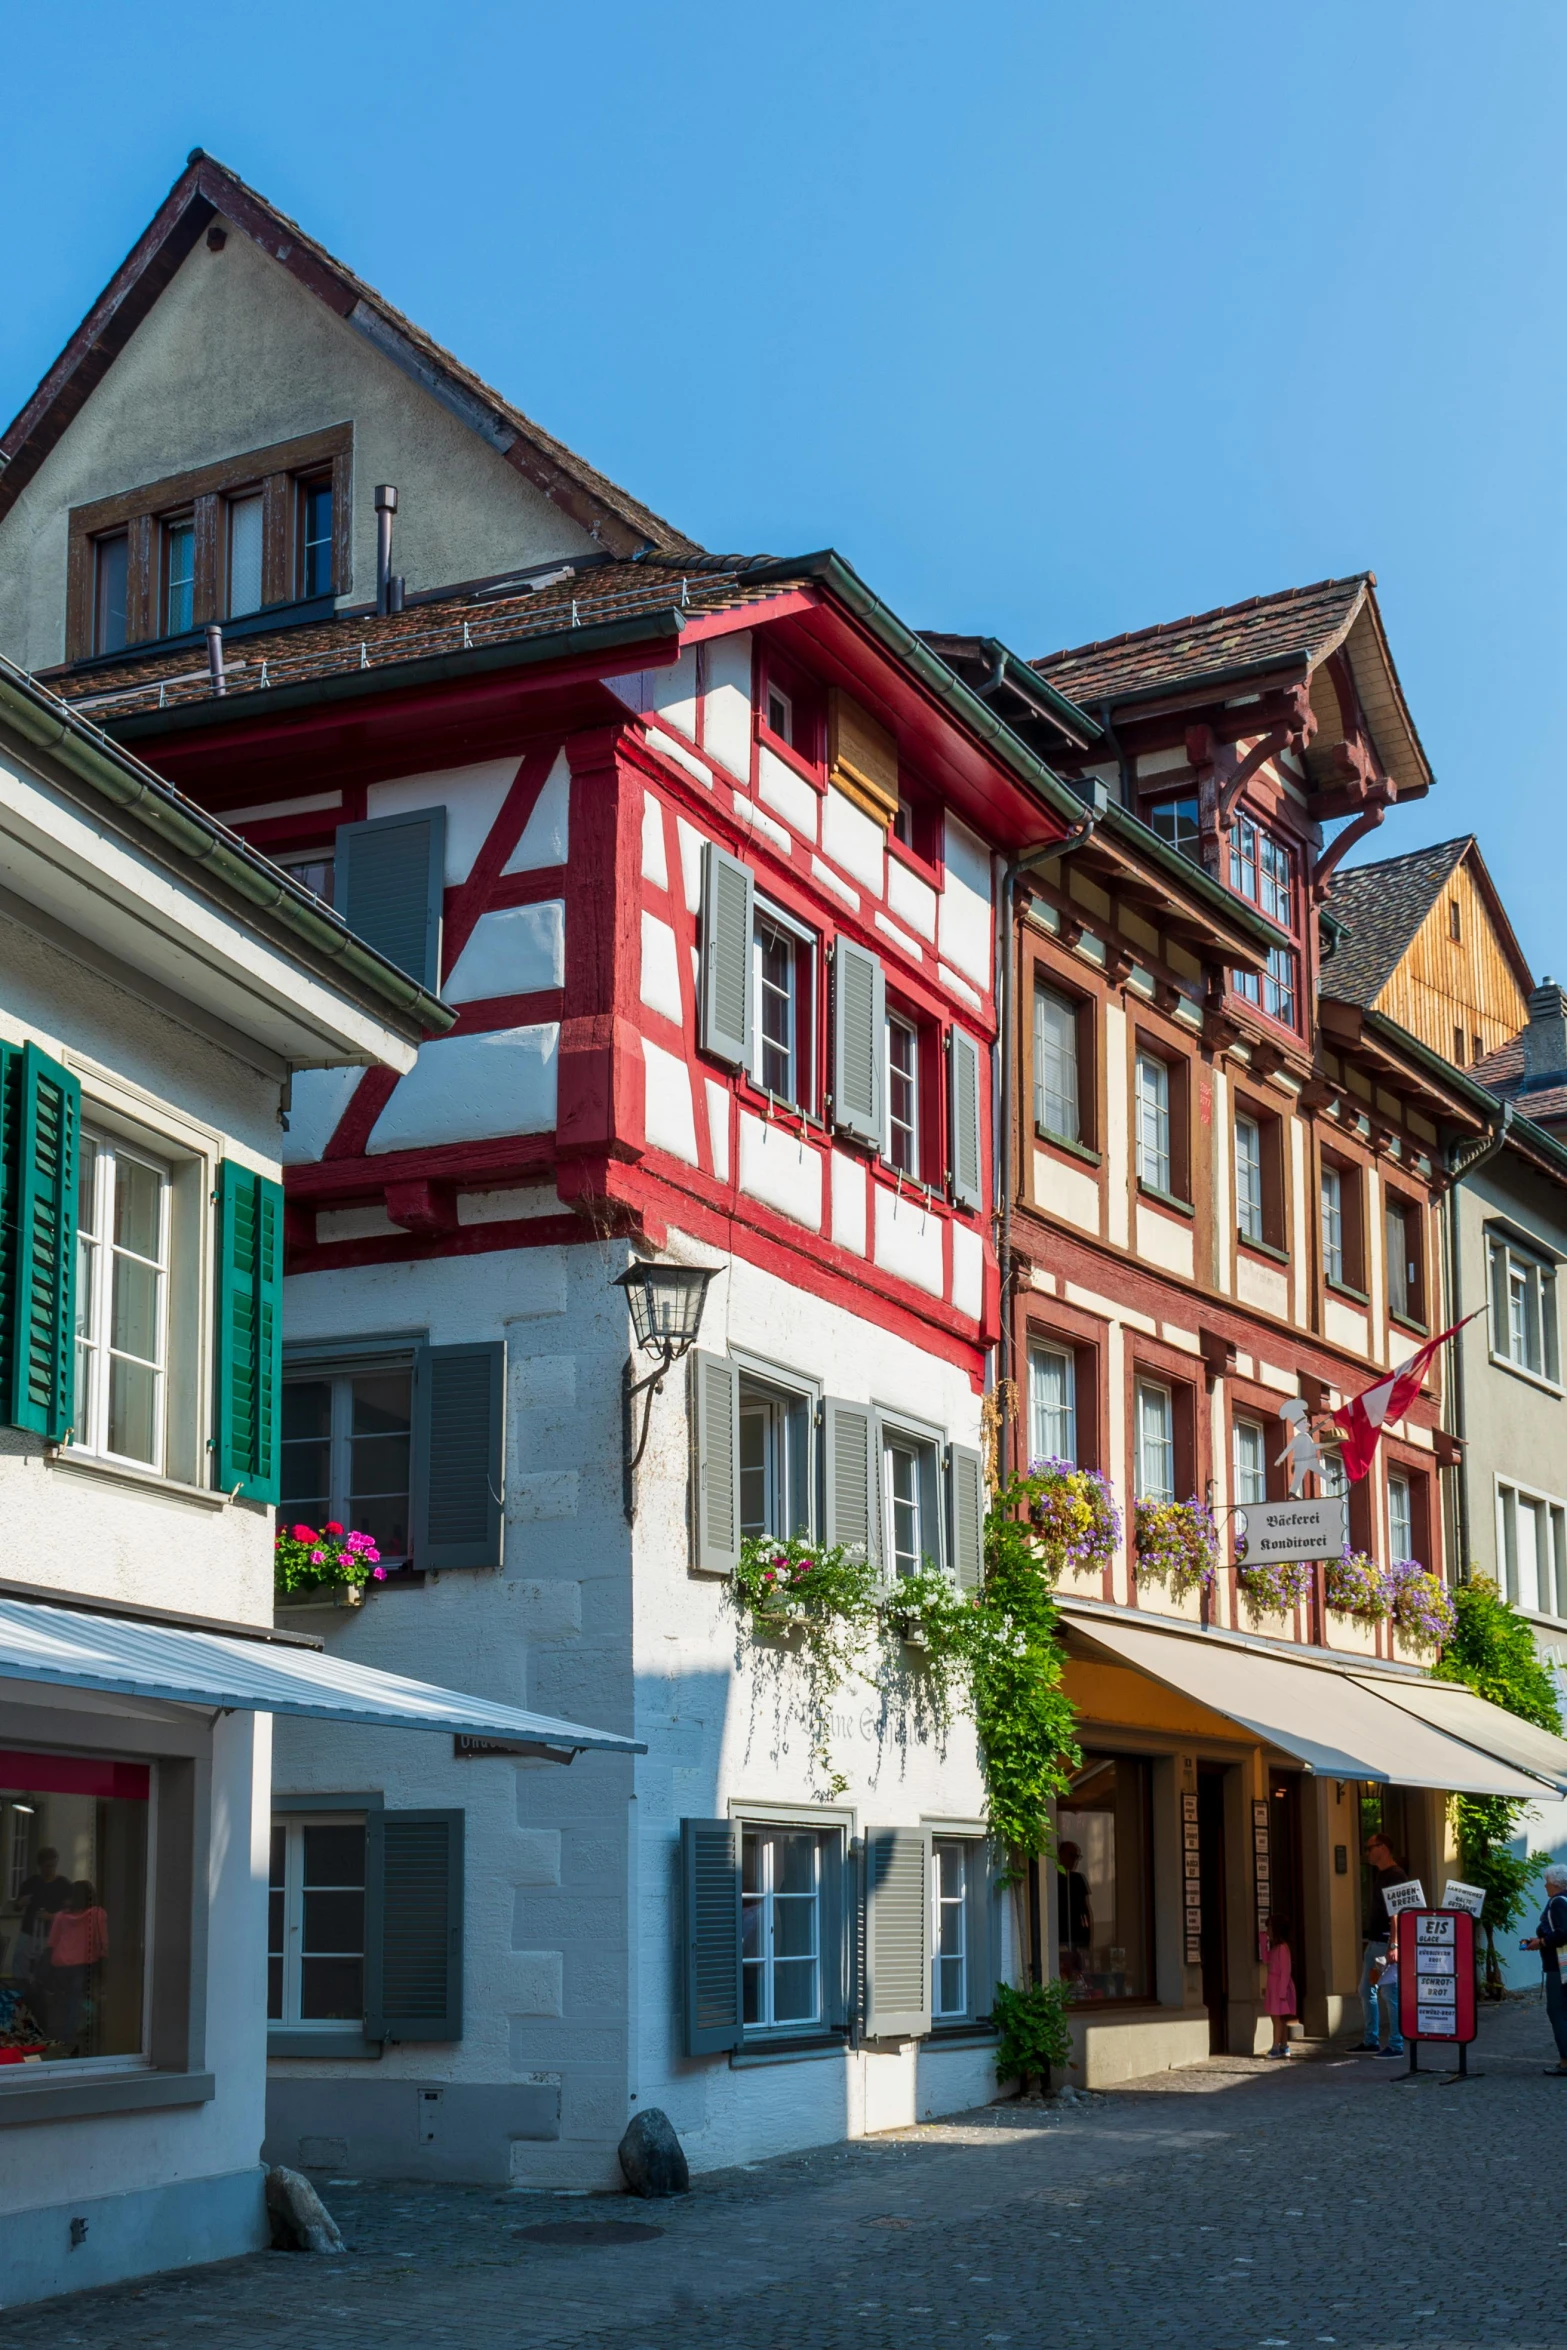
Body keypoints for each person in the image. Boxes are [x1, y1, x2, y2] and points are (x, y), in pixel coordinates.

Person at [1357, 1831, 1409, 2055]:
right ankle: (1371, 2040)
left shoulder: (1395, 1875)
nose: (1367, 1852)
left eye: (1370, 1847)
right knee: (1366, 1989)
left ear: (1383, 1849)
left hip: (1386, 1945)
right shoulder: (1381, 1875)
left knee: (1389, 1993)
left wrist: (1394, 1945)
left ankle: (1396, 2044)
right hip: (1375, 1944)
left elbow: (1397, 1913)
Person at [45, 1879, 108, 2052]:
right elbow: (102, 1939)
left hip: (60, 1964)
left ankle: (63, 2031)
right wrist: (103, 1957)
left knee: (66, 1998)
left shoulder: (60, 1916)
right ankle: (72, 2032)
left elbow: (52, 1942)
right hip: (84, 1962)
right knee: (79, 1997)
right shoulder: (97, 1914)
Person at [1521, 1859, 1567, 2073]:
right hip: (1561, 1964)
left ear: (1555, 1883)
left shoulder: (1558, 1902)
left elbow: (1563, 1933)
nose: (1544, 1885)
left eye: (1546, 1881)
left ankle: (1566, 2060)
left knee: (1556, 2010)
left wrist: (1541, 1942)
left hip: (1560, 1966)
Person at [9, 1847, 69, 1993]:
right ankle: (22, 1995)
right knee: (21, 1962)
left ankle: (42, 1996)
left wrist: (52, 1916)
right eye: (47, 1866)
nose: (51, 1869)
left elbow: (70, 1911)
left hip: (50, 1935)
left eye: (53, 1865)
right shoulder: (31, 1883)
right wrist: (20, 1903)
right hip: (29, 1931)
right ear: (40, 1865)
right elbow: (16, 1906)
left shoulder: (63, 1884)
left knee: (45, 1969)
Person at [1057, 1841, 1092, 1981]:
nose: (1074, 1860)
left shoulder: (1078, 1879)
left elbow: (1085, 1910)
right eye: (1072, 1855)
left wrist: (1087, 1939)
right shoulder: (1053, 1878)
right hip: (1060, 1936)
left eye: (1077, 1856)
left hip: (1077, 1937)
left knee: (1077, 1973)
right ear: (1061, 1855)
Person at [1263, 1912, 1297, 2058]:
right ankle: (1284, 2046)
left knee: (1277, 2019)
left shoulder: (1283, 1948)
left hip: (1279, 1988)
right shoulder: (1276, 1948)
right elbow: (1266, 1959)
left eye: (1270, 1928)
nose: (1268, 1931)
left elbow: (1285, 1971)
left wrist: (1282, 1992)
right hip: (1274, 1987)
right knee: (1279, 2018)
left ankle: (1276, 2047)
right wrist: (1263, 1942)